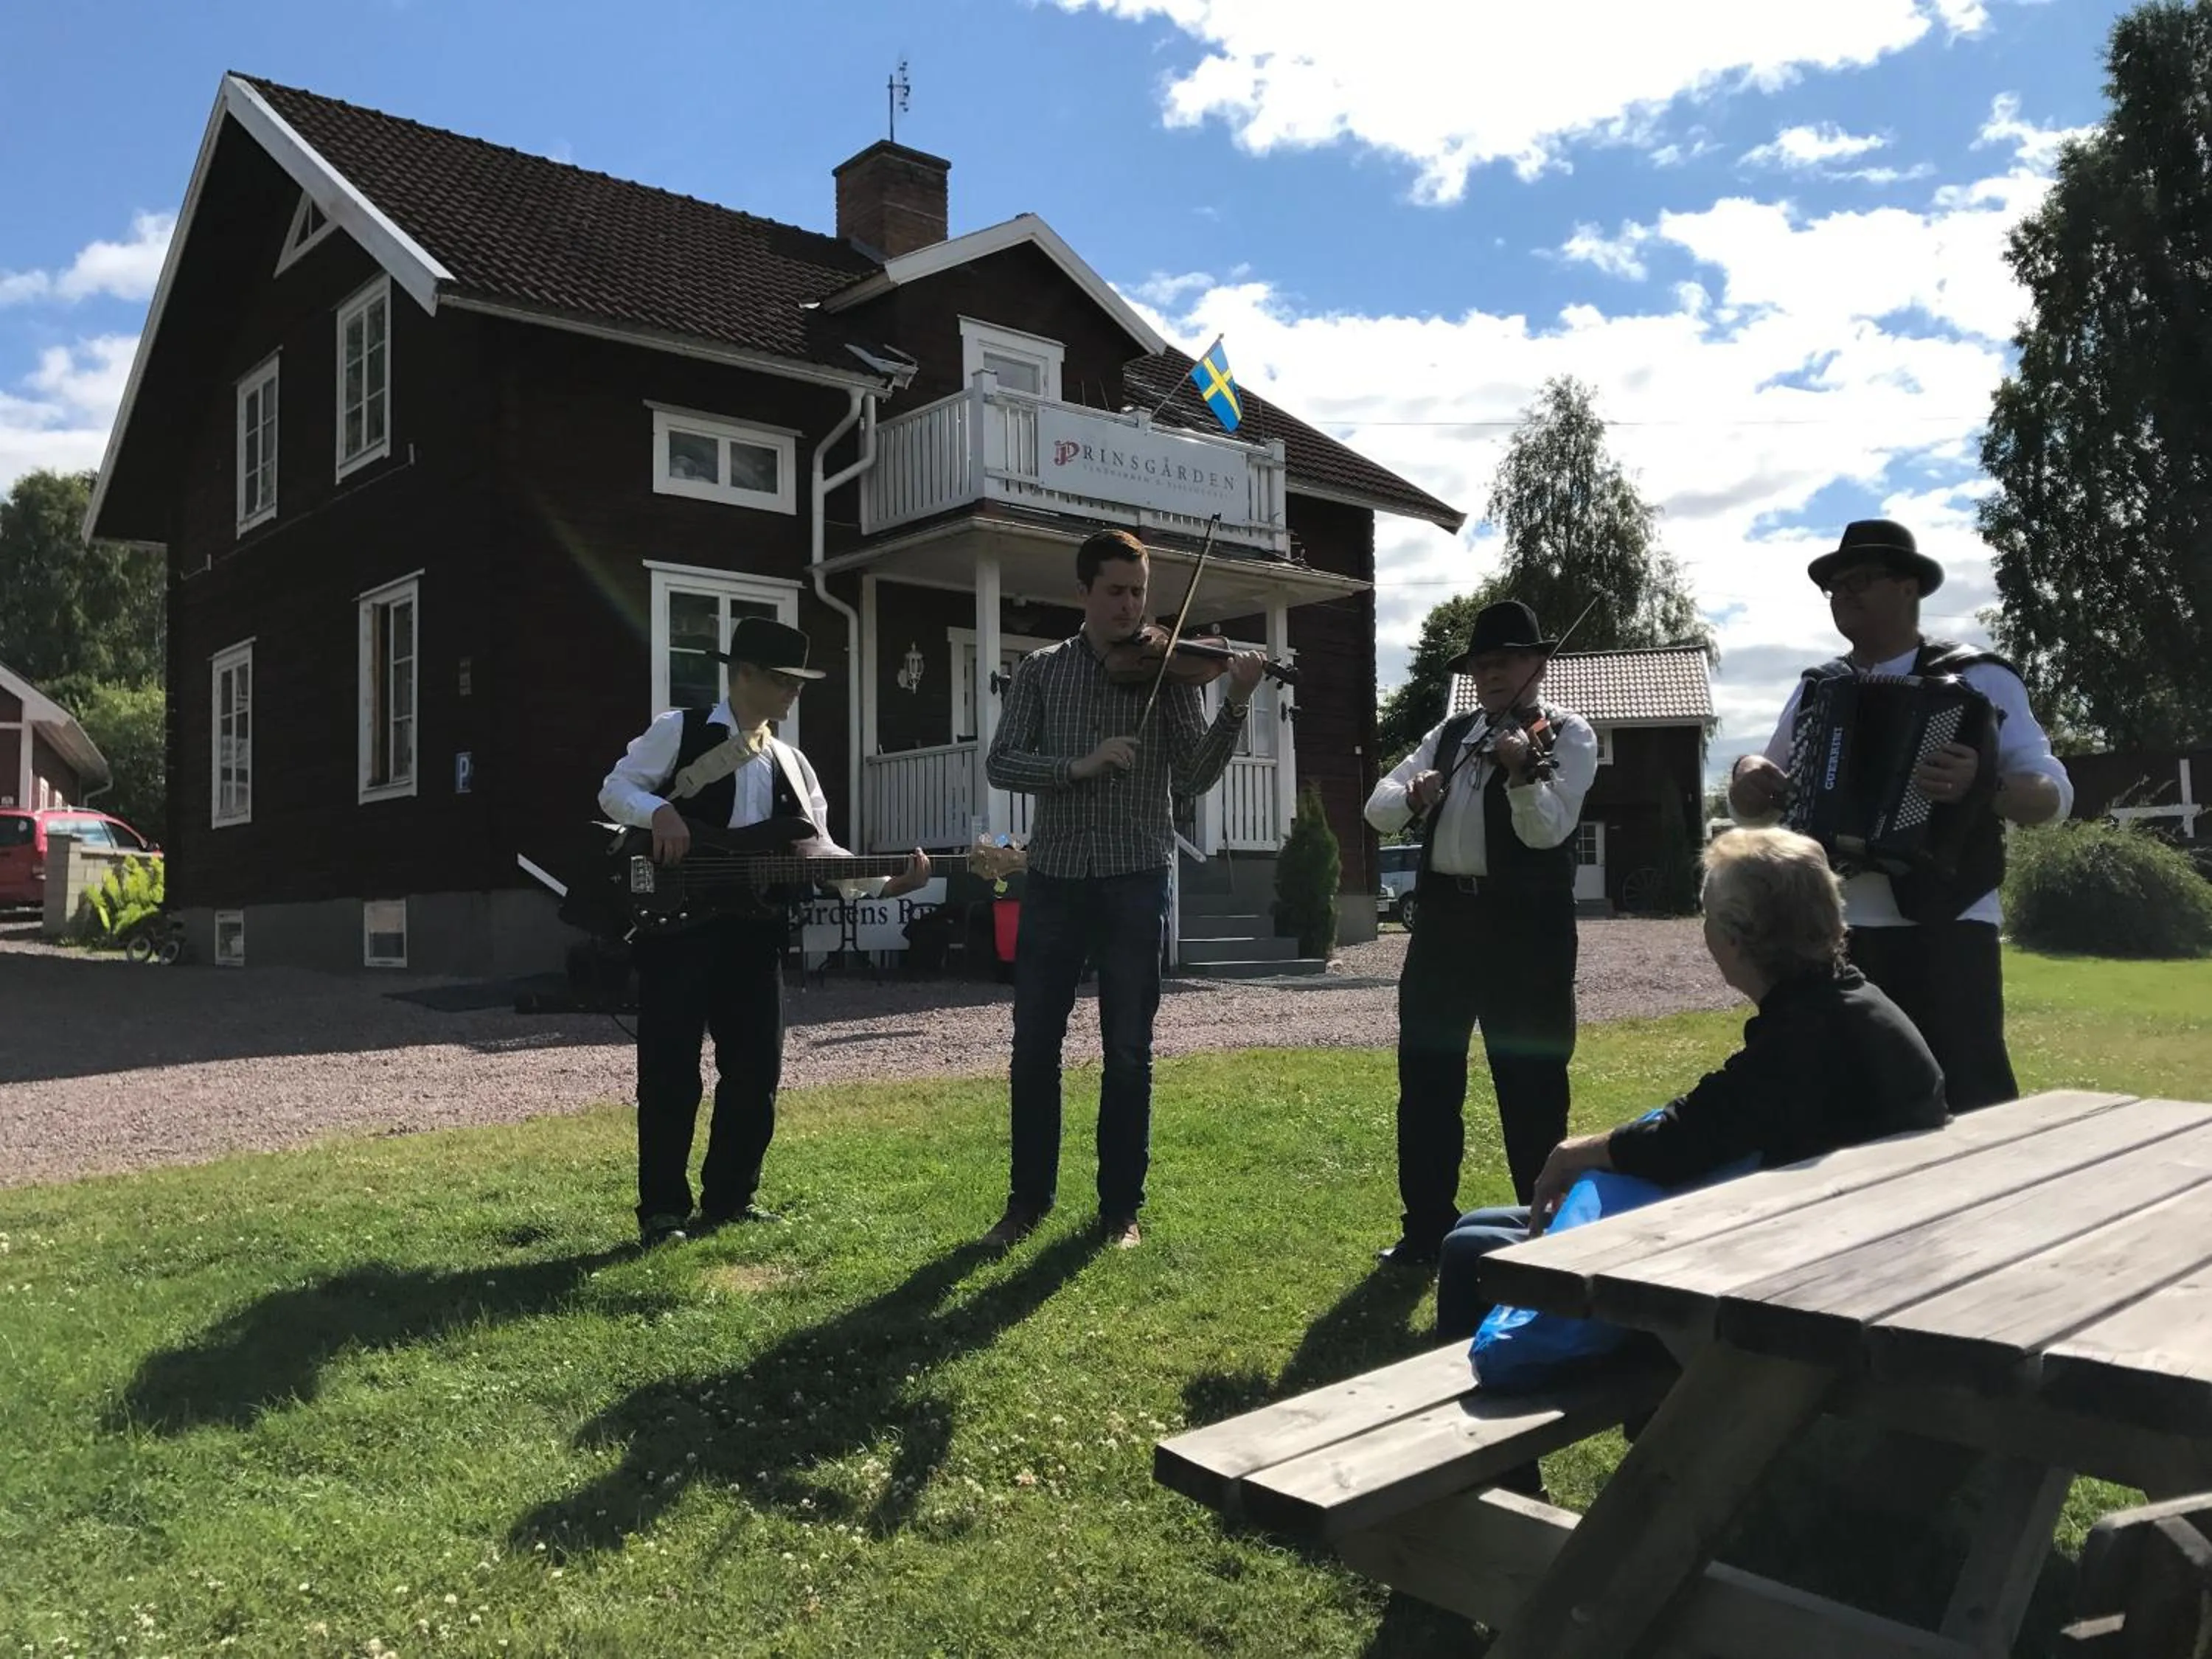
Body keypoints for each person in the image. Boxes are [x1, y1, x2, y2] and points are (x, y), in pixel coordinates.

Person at [1433, 825, 1947, 1340]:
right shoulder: (1850, 1005)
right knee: (1479, 1225)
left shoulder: (1805, 1034)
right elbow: (1715, 1119)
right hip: (1848, 1240)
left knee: (1468, 1252)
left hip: (1793, 1275)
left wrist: (1573, 1153)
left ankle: (1485, 1400)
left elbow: (1682, 1143)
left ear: (1733, 935)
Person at [598, 616, 929, 1248]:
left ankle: (730, 1198)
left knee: (755, 1071)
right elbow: (615, 790)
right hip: (678, 929)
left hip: (756, 934)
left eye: (799, 683)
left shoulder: (794, 764)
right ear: (742, 674)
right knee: (670, 1070)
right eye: (783, 680)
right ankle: (663, 1211)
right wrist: (661, 809)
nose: (793, 694)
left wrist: (889, 884)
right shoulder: (681, 731)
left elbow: (822, 854)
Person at [981, 528, 1266, 1251]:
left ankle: (1119, 1212)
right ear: (1084, 593)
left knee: (1129, 1052)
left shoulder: (1169, 674)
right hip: (1055, 878)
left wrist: (1234, 701)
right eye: (1116, 591)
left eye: (1139, 592)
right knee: (1034, 1049)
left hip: (1137, 876)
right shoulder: (1043, 671)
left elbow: (1194, 777)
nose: (1130, 606)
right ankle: (1027, 1203)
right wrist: (1077, 767)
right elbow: (1003, 762)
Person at [1728, 519, 2072, 1110]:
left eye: (1861, 579)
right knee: (1849, 1104)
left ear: (1910, 587)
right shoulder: (1820, 688)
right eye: (1835, 586)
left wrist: (1982, 785)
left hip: (1948, 923)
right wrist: (1746, 773)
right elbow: (1754, 807)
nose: (1845, 594)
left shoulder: (1978, 677)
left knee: (1968, 1098)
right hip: (1834, 932)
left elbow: (2053, 796)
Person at [1364, 599, 1599, 1265]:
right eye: (1481, 665)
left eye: (1506, 662)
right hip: (1443, 927)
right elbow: (1377, 810)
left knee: (1530, 1087)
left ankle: (1544, 1236)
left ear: (1537, 665)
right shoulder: (1448, 734)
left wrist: (1523, 772)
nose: (1492, 675)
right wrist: (1413, 798)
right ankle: (1425, 1228)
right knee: (1428, 1083)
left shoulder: (1570, 735)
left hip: (1525, 934)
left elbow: (1547, 830)